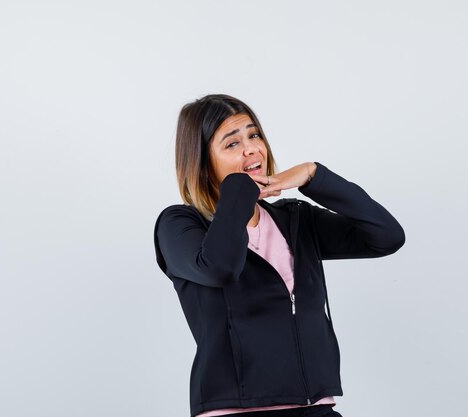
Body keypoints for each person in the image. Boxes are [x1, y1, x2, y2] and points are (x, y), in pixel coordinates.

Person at [153, 94, 406, 417]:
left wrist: (314, 175)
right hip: (235, 409)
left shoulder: (294, 219)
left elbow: (386, 237)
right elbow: (219, 268)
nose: (251, 149)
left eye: (254, 135)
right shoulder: (181, 225)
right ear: (202, 163)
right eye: (232, 144)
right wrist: (239, 190)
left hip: (314, 406)